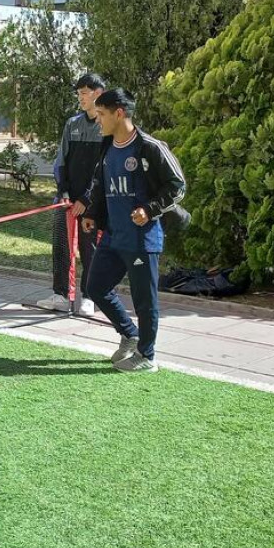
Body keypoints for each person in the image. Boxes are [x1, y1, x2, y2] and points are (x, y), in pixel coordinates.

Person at [77, 88, 185, 372]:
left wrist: (149, 210)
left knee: (144, 301)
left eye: (101, 114)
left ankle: (146, 356)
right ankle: (129, 334)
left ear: (119, 113)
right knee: (95, 287)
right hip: (113, 236)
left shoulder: (150, 147)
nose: (98, 120)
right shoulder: (107, 147)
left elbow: (178, 186)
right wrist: (92, 214)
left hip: (142, 239)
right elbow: (101, 187)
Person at [38, 73, 105, 315]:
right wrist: (64, 192)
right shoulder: (72, 124)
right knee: (61, 247)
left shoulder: (106, 126)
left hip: (92, 204)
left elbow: (103, 170)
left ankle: (89, 297)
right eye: (78, 94)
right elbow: (61, 162)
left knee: (91, 249)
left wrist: (86, 199)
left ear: (98, 93)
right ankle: (61, 295)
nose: (81, 99)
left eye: (84, 94)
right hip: (66, 201)